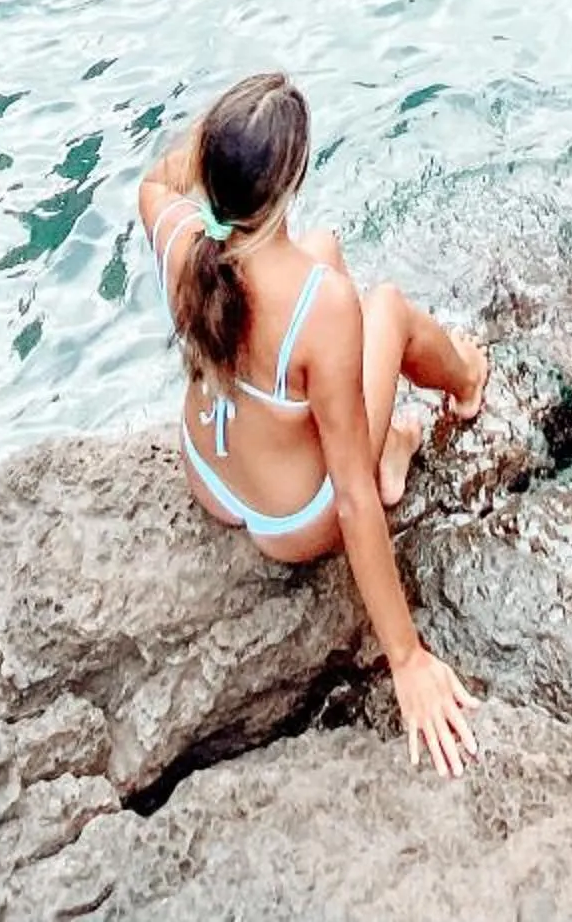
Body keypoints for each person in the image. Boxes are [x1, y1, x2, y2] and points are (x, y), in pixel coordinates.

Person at [138, 71, 489, 777]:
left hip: (210, 474)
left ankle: (391, 438)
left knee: (325, 250)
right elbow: (353, 501)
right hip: (292, 519)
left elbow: (161, 176)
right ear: (288, 184)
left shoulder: (178, 231)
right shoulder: (319, 308)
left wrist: (218, 142)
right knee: (384, 305)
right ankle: (468, 383)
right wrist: (408, 659)